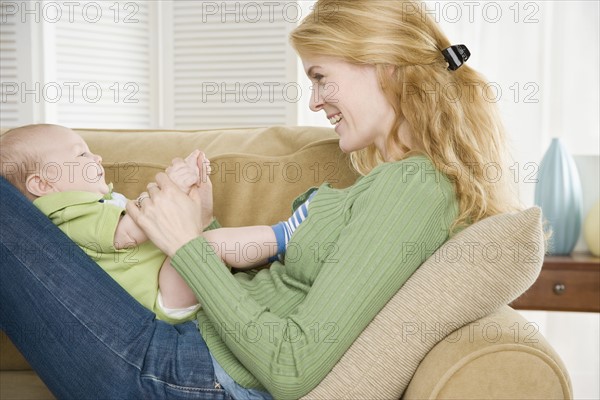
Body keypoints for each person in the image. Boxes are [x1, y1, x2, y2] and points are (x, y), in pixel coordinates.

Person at [0, 1, 520, 399]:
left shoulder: (414, 188)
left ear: (383, 65)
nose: (314, 101)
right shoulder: (395, 182)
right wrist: (201, 226)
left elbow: (292, 365)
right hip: (181, 354)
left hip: (179, 373)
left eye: (320, 77)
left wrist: (185, 245)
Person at [0, 124, 312, 324]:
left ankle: (278, 250)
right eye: (80, 154)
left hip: (165, 282)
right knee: (207, 248)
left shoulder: (99, 204)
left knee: (206, 245)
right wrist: (169, 188)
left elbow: (175, 230)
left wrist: (195, 204)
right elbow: (130, 232)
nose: (96, 157)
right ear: (42, 184)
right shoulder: (65, 215)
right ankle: (287, 235)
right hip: (158, 299)